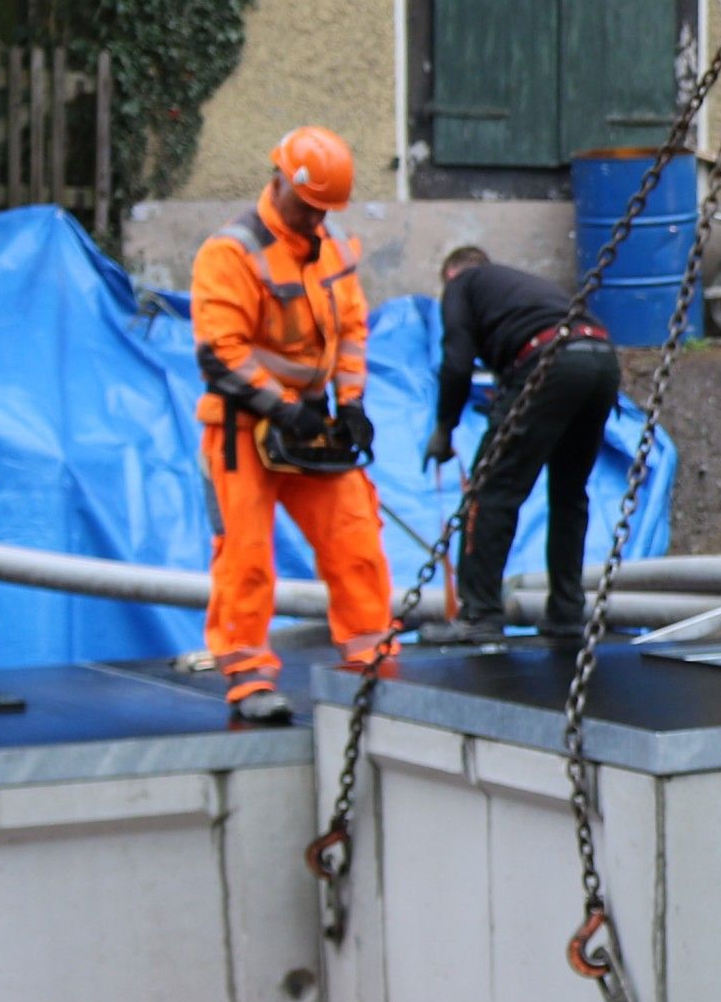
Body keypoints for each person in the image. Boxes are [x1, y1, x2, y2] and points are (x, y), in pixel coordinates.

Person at [194, 128, 397, 725]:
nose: (313, 220)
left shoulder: (331, 248)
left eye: (322, 211)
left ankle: (372, 662)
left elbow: (353, 329)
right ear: (279, 179)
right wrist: (283, 407)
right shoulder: (231, 252)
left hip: (308, 423)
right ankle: (248, 677)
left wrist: (352, 403)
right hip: (243, 431)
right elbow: (220, 353)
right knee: (246, 556)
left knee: (356, 540)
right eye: (306, 207)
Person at [424, 245, 624, 643]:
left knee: (491, 491)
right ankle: (566, 612)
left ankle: (479, 615)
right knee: (570, 494)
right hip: (601, 359)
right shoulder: (524, 288)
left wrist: (444, 428)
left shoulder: (461, 285)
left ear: (451, 274)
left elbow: (457, 362)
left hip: (550, 361)